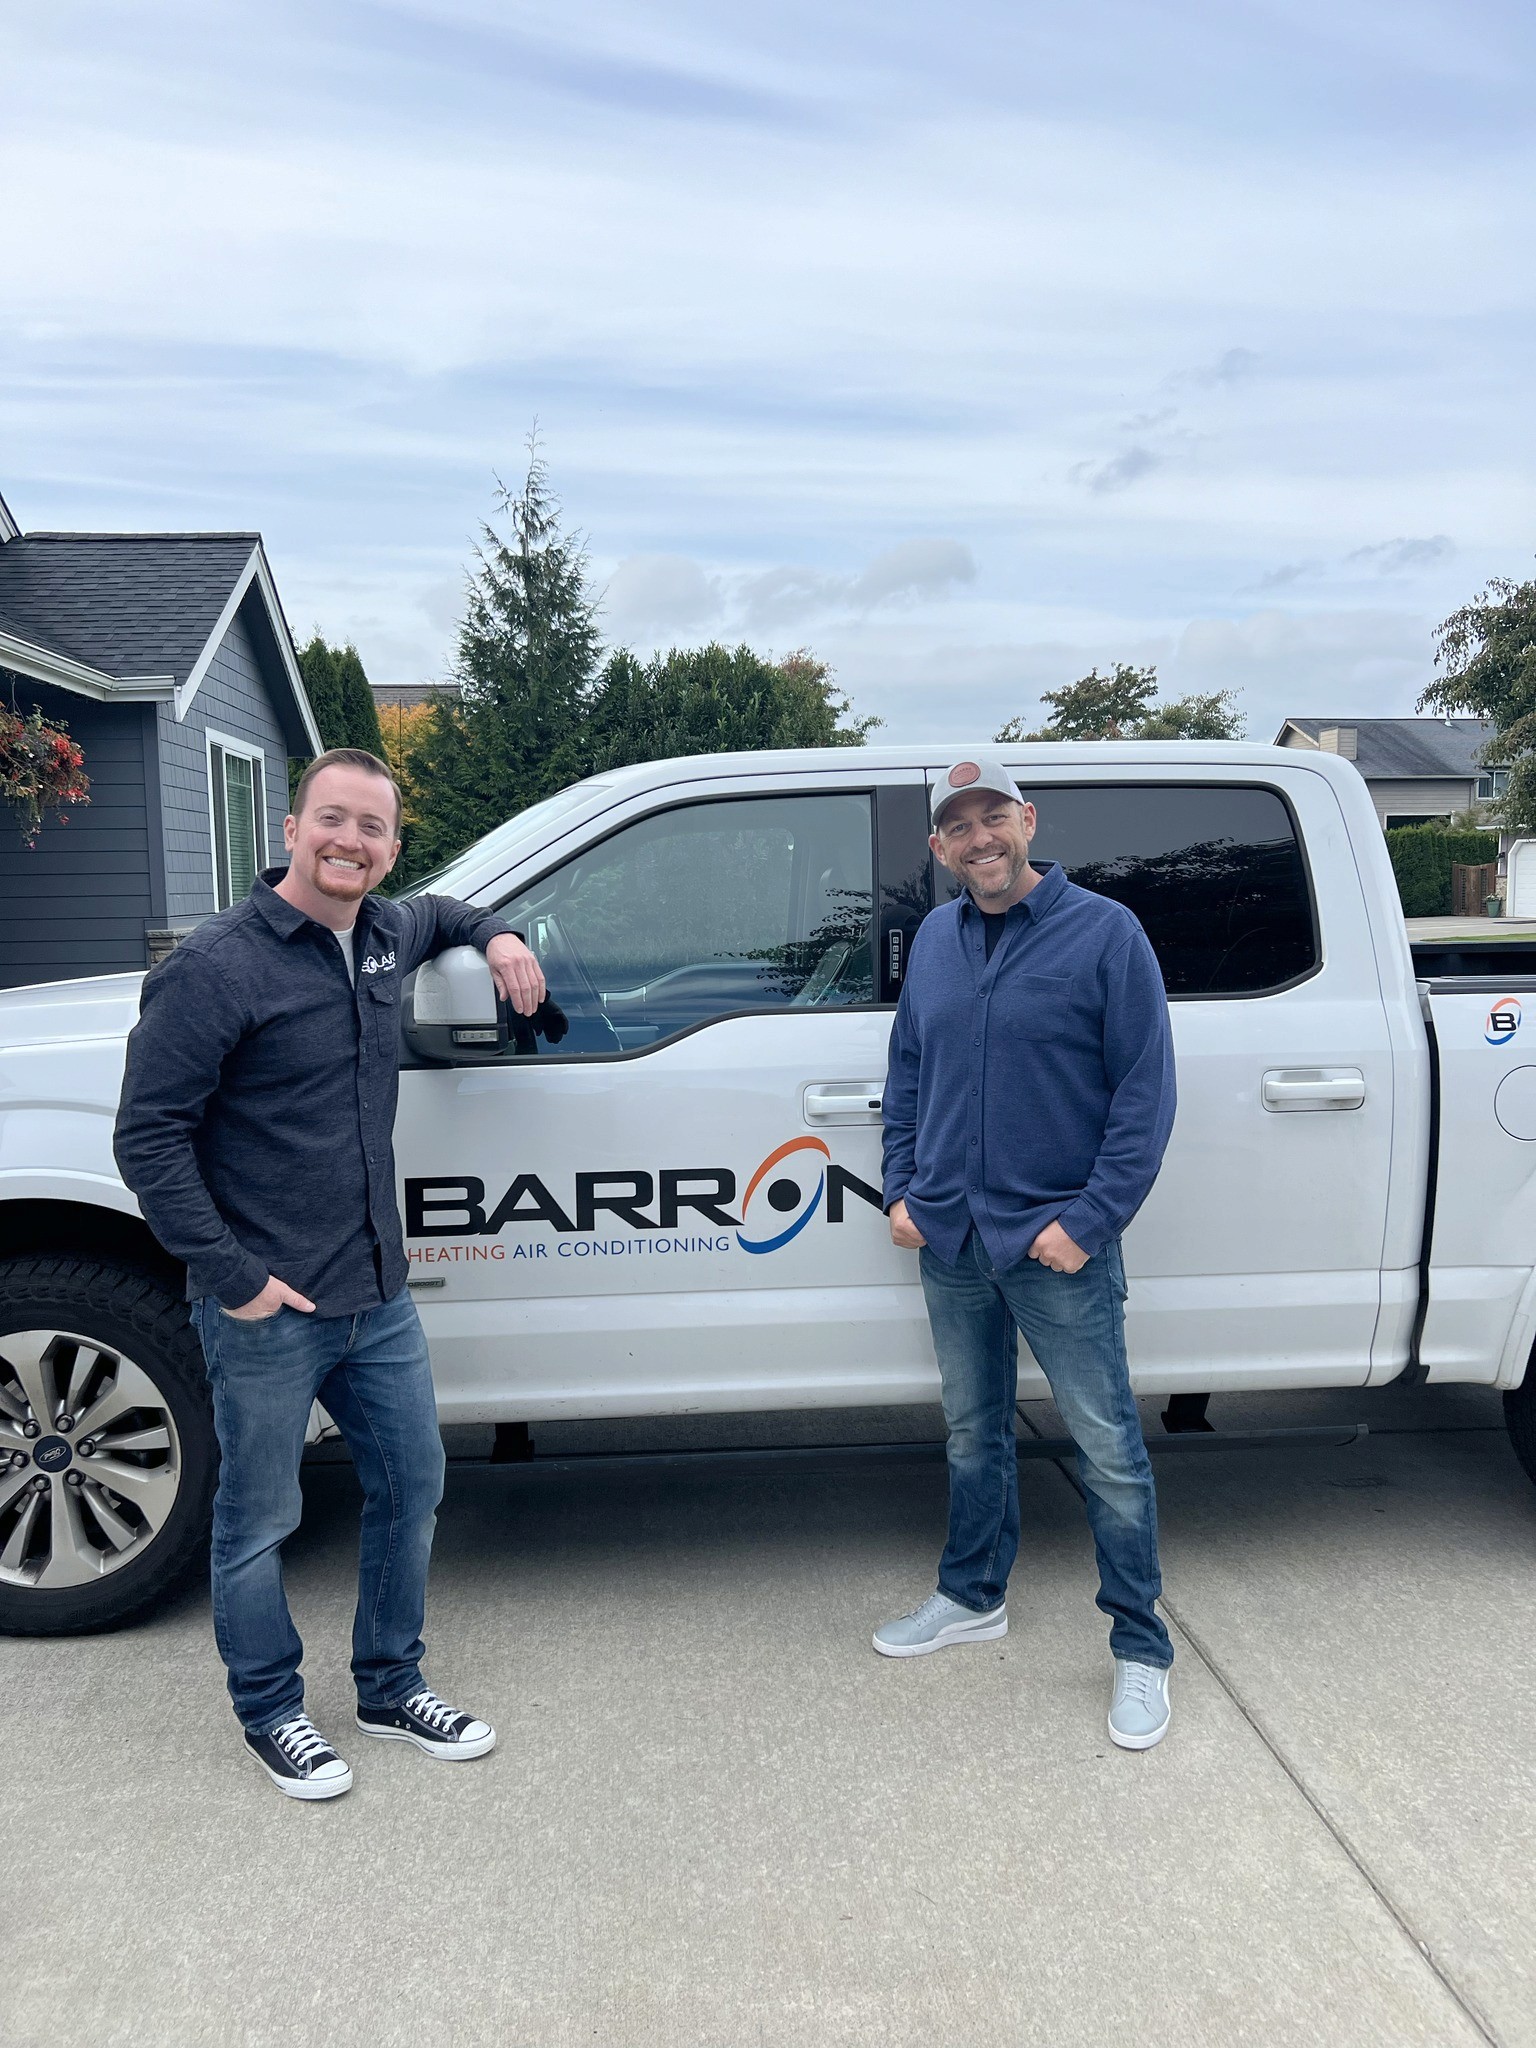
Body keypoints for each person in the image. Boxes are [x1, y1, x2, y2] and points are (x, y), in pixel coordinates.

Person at [114, 746, 548, 1800]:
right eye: (333, 819)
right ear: (291, 829)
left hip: (377, 1291)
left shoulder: (389, 932)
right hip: (268, 1304)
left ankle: (389, 1685)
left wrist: (497, 935)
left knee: (413, 1486)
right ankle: (271, 1709)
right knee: (259, 1518)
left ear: (391, 847)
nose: (351, 841)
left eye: (373, 827)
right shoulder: (216, 967)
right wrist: (234, 1277)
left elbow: (446, 909)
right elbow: (149, 1138)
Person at [876, 755, 1178, 1750]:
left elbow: (1144, 1096)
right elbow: (908, 1072)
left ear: (1029, 820)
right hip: (953, 1237)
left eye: (993, 816)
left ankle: (1140, 1645)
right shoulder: (936, 939)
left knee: (1108, 1450)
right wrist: (902, 1187)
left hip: (1056, 1245)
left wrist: (1087, 1223)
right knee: (973, 1430)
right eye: (959, 826)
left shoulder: (1106, 933)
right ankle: (972, 1595)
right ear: (940, 847)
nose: (981, 838)